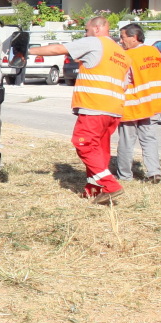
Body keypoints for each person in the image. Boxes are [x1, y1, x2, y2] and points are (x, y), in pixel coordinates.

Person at [29, 16, 131, 204]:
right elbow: (125, 84)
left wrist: (28, 50)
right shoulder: (122, 53)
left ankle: (110, 185)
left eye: (86, 30)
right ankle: (94, 190)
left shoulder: (95, 42)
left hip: (95, 106)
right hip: (114, 109)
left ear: (98, 28)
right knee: (100, 149)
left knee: (83, 143)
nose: (84, 33)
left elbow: (58, 49)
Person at [115, 24, 161, 184]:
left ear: (134, 38)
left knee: (127, 141)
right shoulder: (154, 52)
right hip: (152, 104)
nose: (121, 41)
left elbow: (123, 81)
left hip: (132, 105)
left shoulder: (127, 56)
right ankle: (154, 172)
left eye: (123, 37)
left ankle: (125, 176)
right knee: (149, 139)